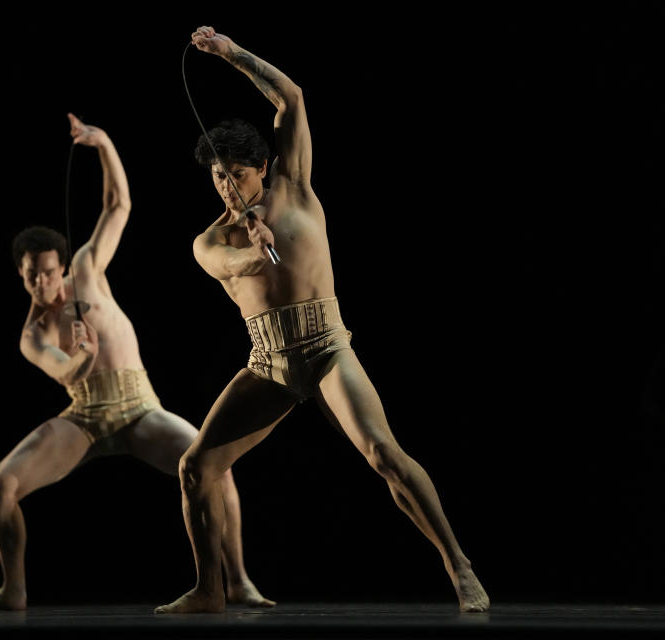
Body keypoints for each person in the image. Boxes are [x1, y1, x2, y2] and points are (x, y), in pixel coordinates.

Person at [155, 27, 490, 614]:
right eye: (217, 176)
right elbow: (232, 262)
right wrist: (255, 248)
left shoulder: (296, 188)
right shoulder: (209, 239)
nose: (227, 186)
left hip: (327, 348)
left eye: (236, 172)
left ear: (261, 166)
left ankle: (458, 564)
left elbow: (292, 98)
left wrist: (231, 54)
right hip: (270, 364)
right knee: (194, 467)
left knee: (384, 454)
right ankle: (211, 588)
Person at [0, 113, 272, 611]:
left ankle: (236, 580)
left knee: (214, 465)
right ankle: (14, 590)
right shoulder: (33, 333)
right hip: (85, 417)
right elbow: (66, 373)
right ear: (22, 277)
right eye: (32, 277)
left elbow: (118, 204)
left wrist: (103, 143)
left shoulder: (86, 272)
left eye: (48, 273)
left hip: (137, 407)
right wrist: (82, 357)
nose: (43, 284)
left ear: (61, 267)